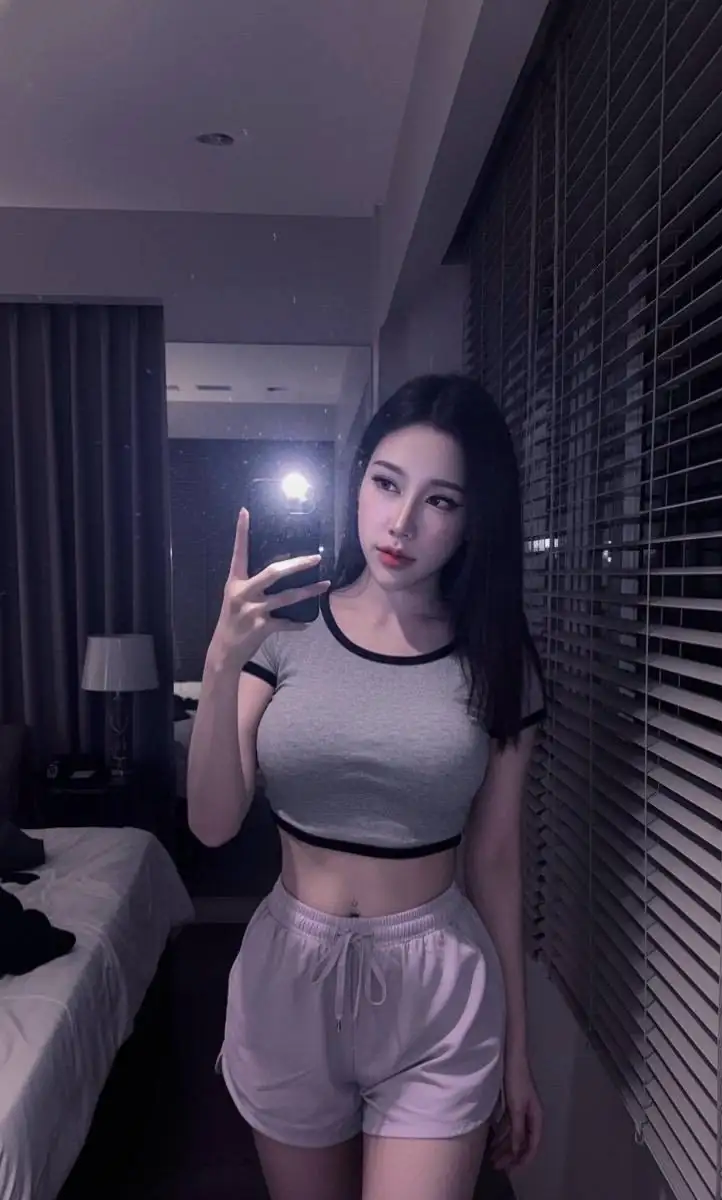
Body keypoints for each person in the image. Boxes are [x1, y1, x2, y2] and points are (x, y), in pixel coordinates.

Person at [187, 373, 547, 1200]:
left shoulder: (498, 659)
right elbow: (210, 824)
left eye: (439, 500)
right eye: (387, 483)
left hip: (437, 989)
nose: (401, 522)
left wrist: (518, 1053)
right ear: (358, 482)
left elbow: (496, 861)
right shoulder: (283, 633)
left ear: (472, 521)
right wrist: (220, 660)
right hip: (289, 978)